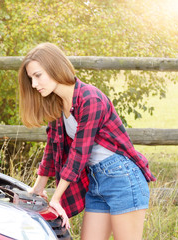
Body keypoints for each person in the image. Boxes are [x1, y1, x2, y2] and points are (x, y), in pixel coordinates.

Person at [18, 43, 156, 240]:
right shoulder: (58, 104)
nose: (34, 84)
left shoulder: (90, 98)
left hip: (123, 179)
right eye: (31, 78)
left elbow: (79, 152)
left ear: (55, 67)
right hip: (96, 181)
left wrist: (56, 198)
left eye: (38, 75)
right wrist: (37, 189)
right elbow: (51, 149)